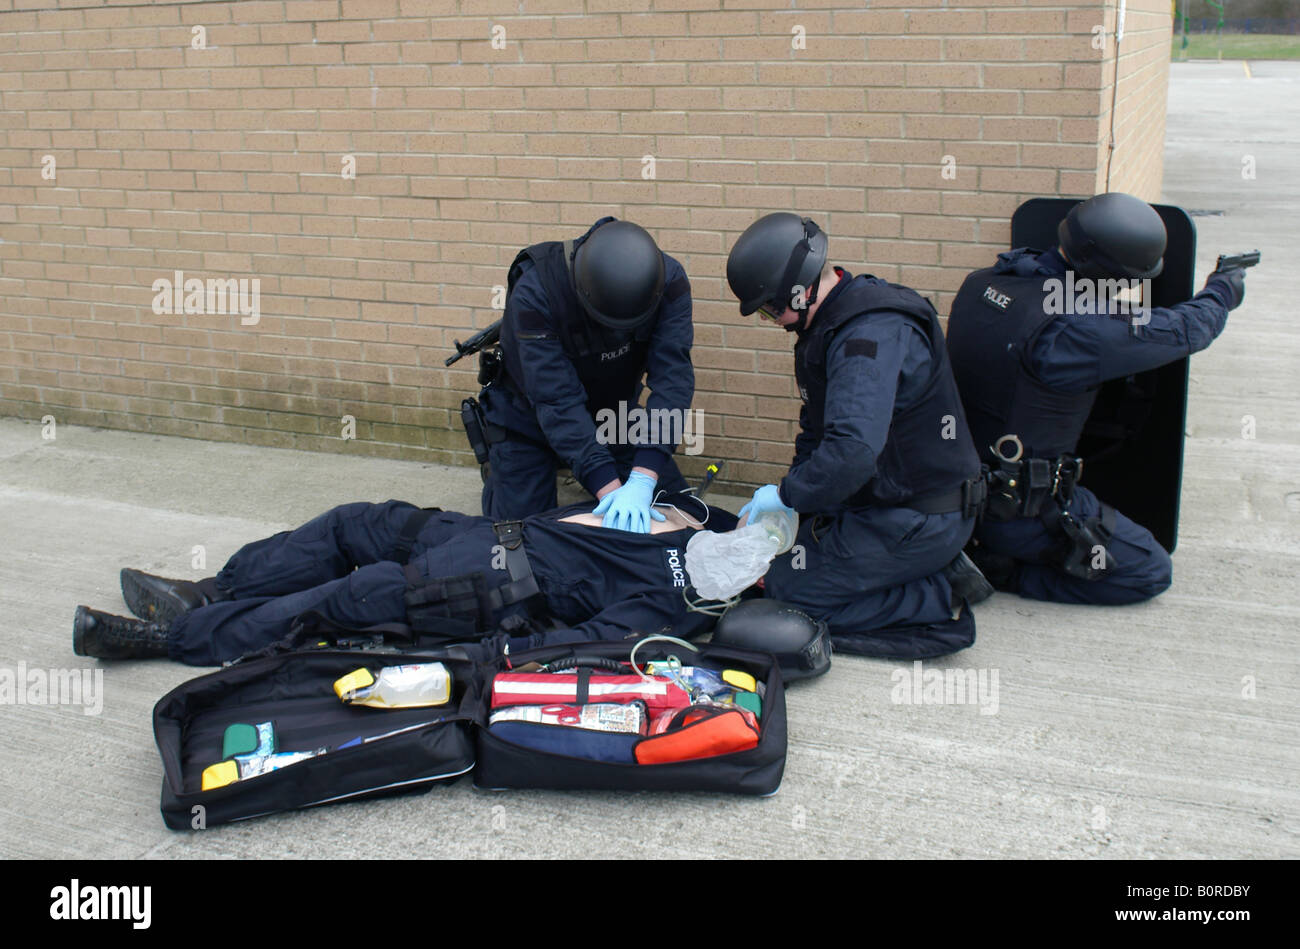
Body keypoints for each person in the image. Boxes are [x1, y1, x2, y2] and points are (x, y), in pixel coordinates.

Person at [945, 191, 1246, 604]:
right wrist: (1223, 290)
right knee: (1148, 570)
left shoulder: (984, 282)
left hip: (955, 495)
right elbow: (1184, 330)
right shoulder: (1074, 331)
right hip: (1021, 515)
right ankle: (1005, 571)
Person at [723, 213, 992, 659]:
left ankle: (936, 593)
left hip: (920, 515)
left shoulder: (866, 337)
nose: (771, 320)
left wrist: (788, 495)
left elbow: (850, 452)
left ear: (802, 289)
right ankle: (899, 570)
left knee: (788, 597)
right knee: (772, 565)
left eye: (772, 308)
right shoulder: (825, 326)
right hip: (881, 502)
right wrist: (790, 510)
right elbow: (817, 433)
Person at [72, 494, 737, 667]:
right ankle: (211, 589)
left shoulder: (677, 606)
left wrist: (486, 656)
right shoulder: (690, 516)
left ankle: (169, 635)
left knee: (346, 599)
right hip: (486, 532)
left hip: (491, 588)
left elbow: (585, 643)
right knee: (354, 523)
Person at [478, 217, 695, 530]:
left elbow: (673, 383)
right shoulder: (536, 292)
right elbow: (557, 402)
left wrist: (643, 480)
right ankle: (500, 477)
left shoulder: (668, 283)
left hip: (613, 414)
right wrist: (610, 491)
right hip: (527, 418)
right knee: (520, 538)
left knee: (681, 513)